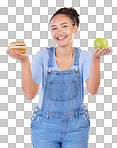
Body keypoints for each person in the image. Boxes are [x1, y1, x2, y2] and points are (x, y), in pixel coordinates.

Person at [6, 7, 113, 148]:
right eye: (54, 28)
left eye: (64, 26)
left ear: (75, 28)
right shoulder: (42, 56)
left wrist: (96, 59)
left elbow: (92, 90)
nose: (59, 32)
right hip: (44, 125)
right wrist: (24, 61)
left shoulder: (85, 57)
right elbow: (30, 94)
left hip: (77, 126)